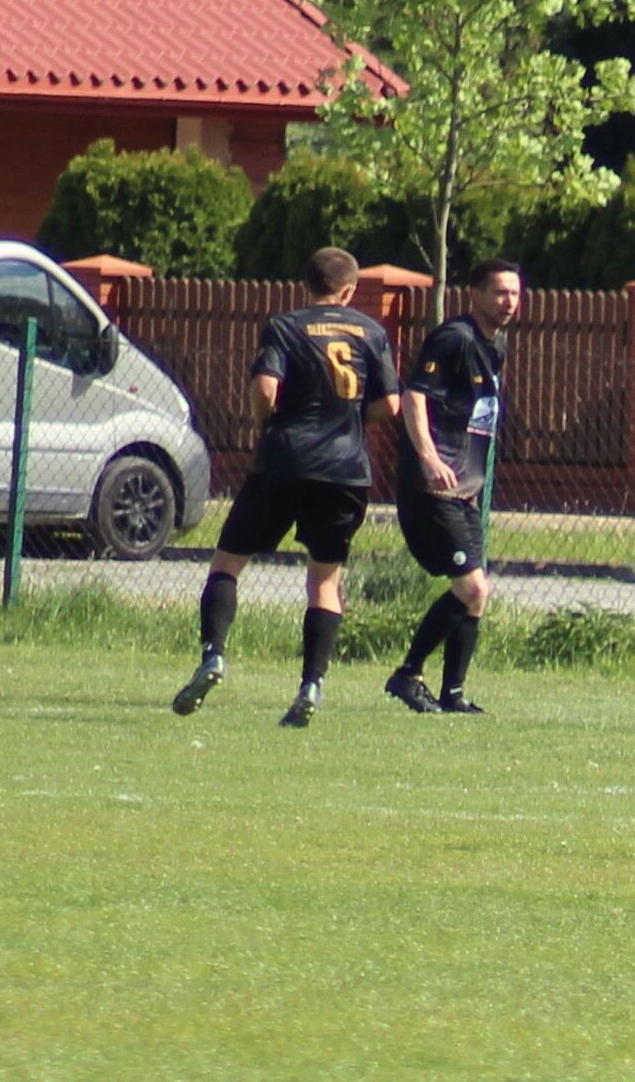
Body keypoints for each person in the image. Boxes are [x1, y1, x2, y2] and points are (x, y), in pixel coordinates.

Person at [176, 248, 410, 729]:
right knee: (324, 581)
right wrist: (346, 418)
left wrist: (267, 425)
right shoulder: (372, 332)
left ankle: (214, 654)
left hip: (283, 461)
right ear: (349, 290)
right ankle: (311, 684)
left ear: (307, 283)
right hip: (344, 471)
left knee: (228, 564)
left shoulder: (285, 326)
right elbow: (391, 403)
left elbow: (266, 389)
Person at [386, 256, 523, 715]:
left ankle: (454, 694)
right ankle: (407, 674)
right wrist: (428, 458)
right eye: (500, 292)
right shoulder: (454, 338)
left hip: (465, 490)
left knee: (477, 594)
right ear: (476, 294)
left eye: (515, 294)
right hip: (435, 488)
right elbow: (414, 397)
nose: (509, 302)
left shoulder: (495, 344)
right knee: (472, 589)